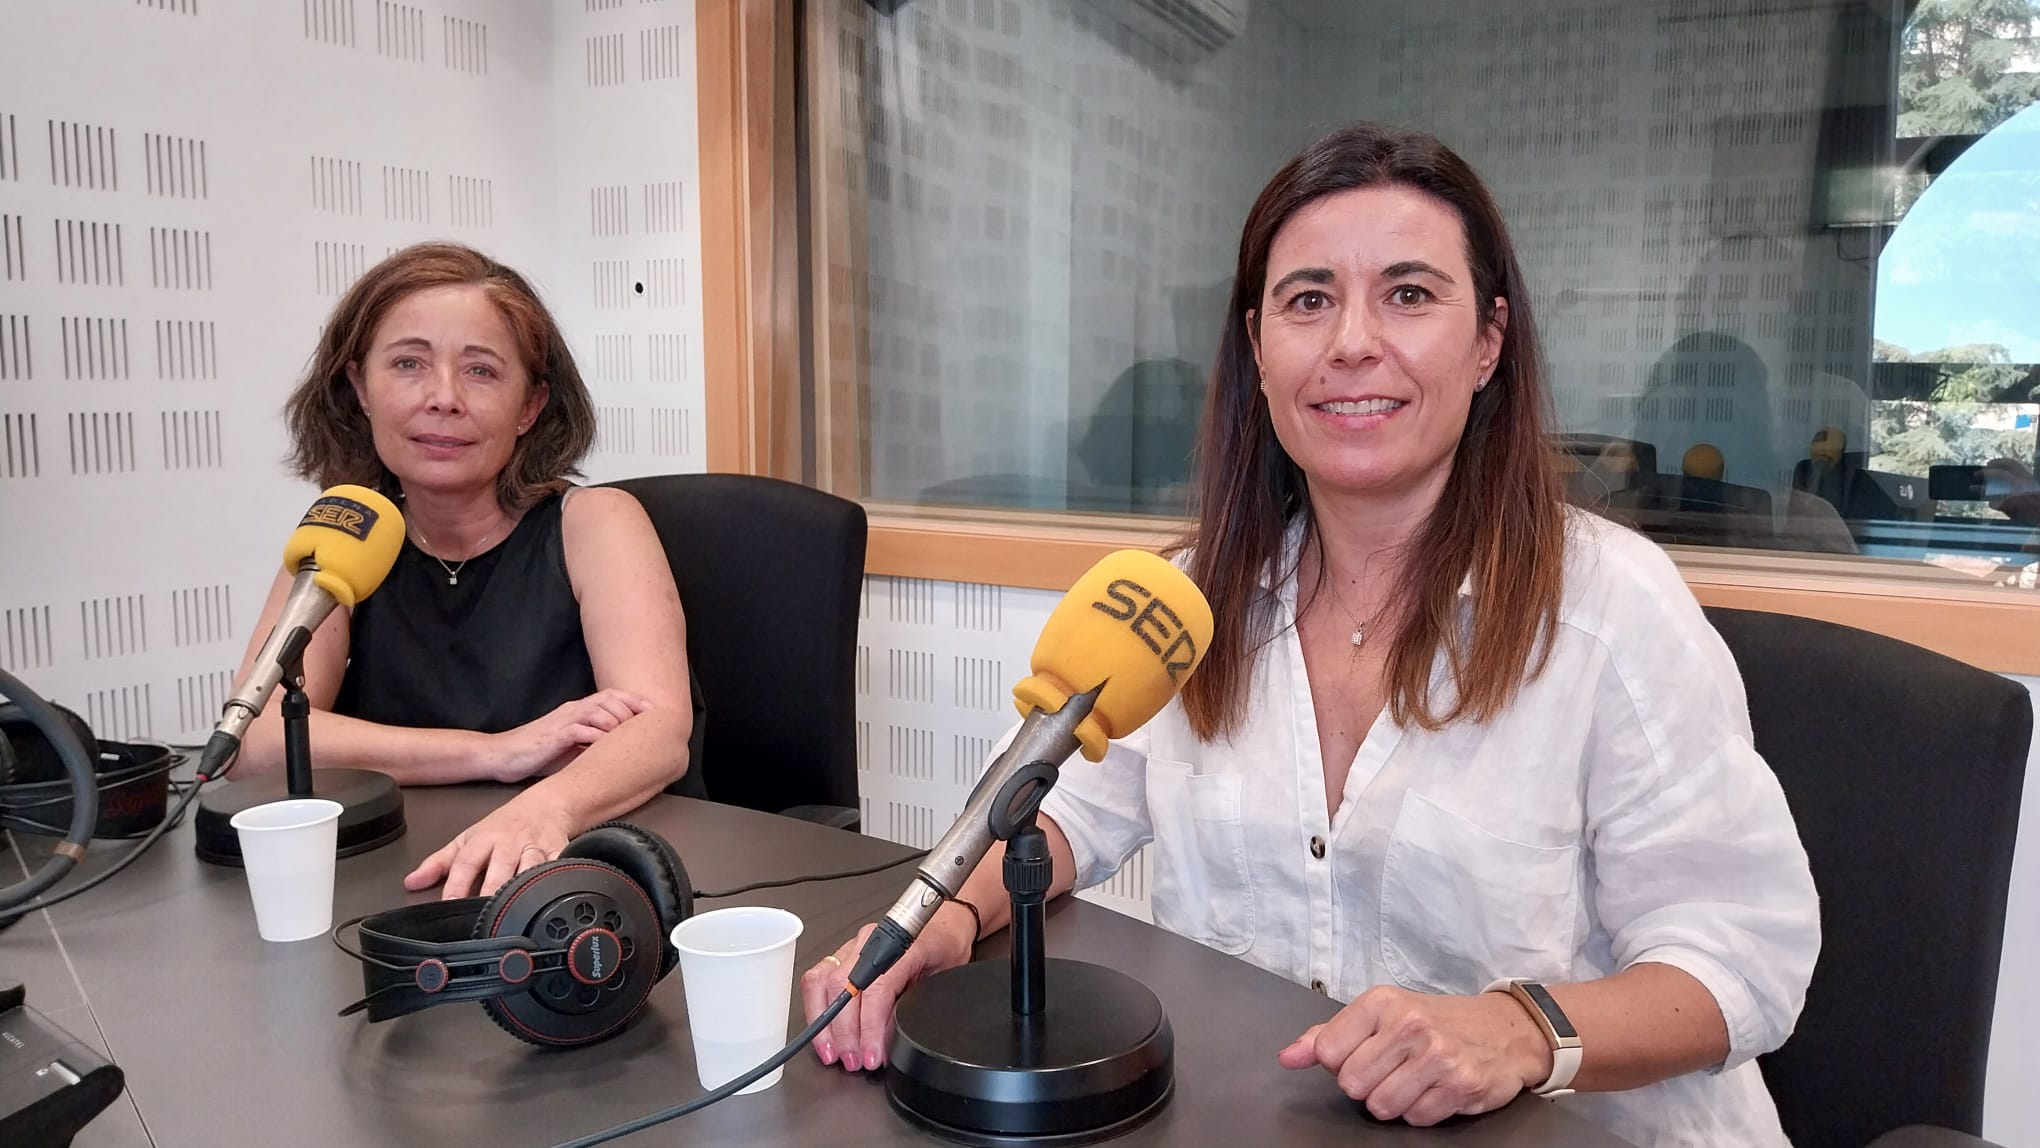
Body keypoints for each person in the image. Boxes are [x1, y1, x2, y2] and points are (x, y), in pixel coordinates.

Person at [800, 124, 1819, 1148]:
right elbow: (1064, 810)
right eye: (1309, 299)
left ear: (1489, 340)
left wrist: (1520, 1027)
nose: (1352, 343)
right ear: (1257, 343)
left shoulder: (1612, 609)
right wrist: (942, 915)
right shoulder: (1191, 600)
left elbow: (1743, 961)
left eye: (1410, 294)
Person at [231, 242, 698, 900]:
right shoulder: (345, 531)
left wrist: (545, 807)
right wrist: (500, 752)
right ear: (359, 387)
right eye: (408, 364)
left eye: (481, 371)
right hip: (395, 882)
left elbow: (658, 733)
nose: (443, 397)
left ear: (530, 406)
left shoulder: (597, 522)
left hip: (578, 879)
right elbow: (260, 736)